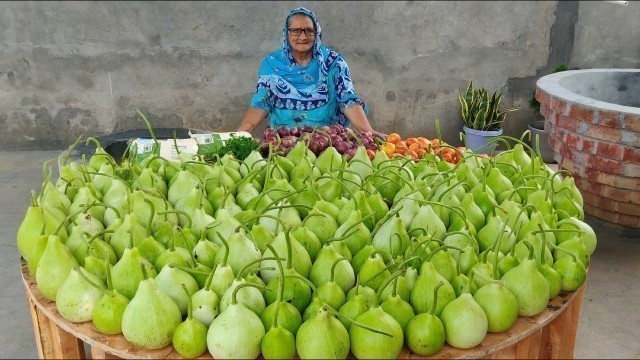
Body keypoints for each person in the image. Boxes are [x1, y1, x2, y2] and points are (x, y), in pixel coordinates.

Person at [237, 7, 378, 134]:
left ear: (317, 33)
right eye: (296, 31)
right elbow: (260, 103)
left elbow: (348, 100)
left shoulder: (333, 63)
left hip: (326, 141)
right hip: (283, 142)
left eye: (309, 30)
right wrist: (239, 135)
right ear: (286, 34)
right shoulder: (272, 64)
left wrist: (369, 132)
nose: (303, 37)